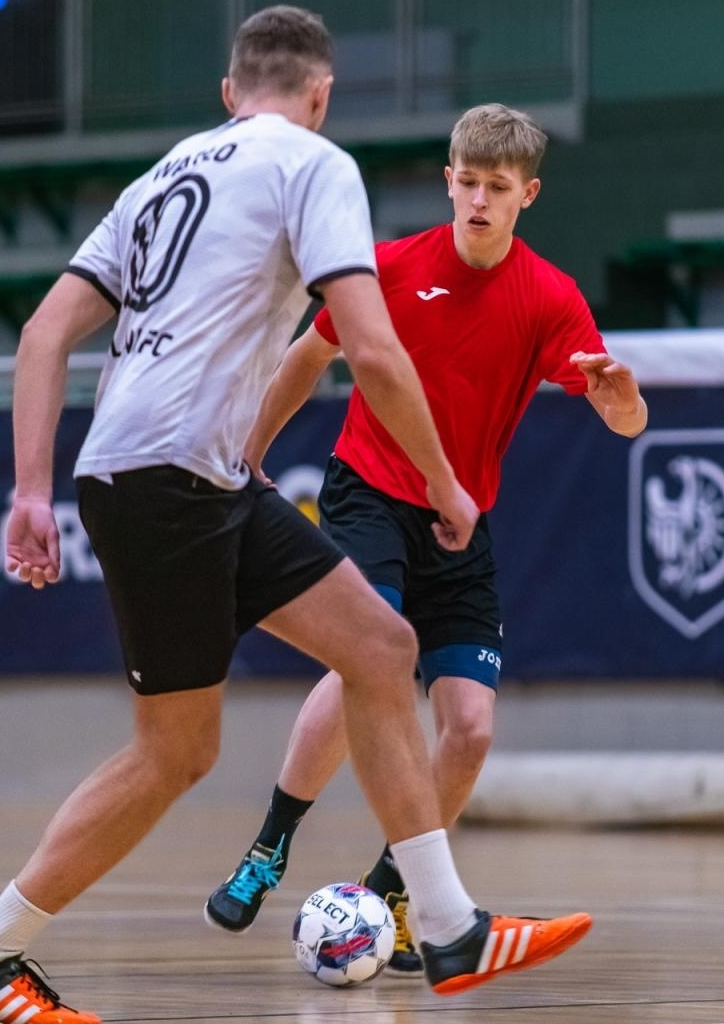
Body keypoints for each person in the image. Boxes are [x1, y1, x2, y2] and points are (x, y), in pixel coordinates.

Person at [0, 8, 591, 1024]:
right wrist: (446, 482)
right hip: (172, 479)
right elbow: (372, 350)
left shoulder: (159, 180)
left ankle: (448, 926)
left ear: (230, 92)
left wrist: (29, 489)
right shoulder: (314, 164)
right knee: (175, 752)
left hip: (188, 472)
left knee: (380, 647)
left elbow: (43, 334)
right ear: (320, 96)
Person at [204, 103, 646, 977]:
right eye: (467, 182)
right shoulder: (392, 267)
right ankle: (270, 843)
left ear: (527, 196)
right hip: (368, 491)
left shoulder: (550, 296)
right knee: (367, 662)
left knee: (470, 729)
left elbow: (624, 422)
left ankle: (392, 891)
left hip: (461, 519)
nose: (479, 200)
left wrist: (622, 398)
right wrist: (247, 455)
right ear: (448, 181)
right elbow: (306, 357)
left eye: (498, 187)